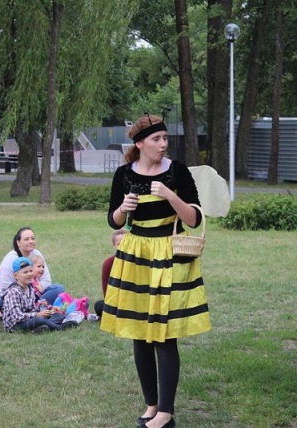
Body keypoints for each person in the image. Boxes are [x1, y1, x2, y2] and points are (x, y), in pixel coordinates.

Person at [100, 114, 211, 428]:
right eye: (156, 139)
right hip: (136, 255)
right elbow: (113, 220)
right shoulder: (124, 174)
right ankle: (151, 405)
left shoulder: (177, 171)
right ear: (140, 144)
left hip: (170, 255)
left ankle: (166, 412)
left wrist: (170, 194)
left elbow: (193, 219)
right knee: (139, 334)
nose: (163, 144)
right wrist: (123, 209)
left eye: (164, 138)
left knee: (164, 335)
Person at [0, 227, 64, 309]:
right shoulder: (11, 258)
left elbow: (46, 280)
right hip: (10, 296)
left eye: (33, 238)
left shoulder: (37, 254)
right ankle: (37, 307)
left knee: (58, 288)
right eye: (26, 239)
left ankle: (36, 306)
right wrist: (26, 293)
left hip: (34, 293)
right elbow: (5, 286)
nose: (31, 241)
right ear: (18, 242)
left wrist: (39, 287)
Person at [1, 257, 75, 333]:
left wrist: (50, 309)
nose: (29, 274)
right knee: (39, 320)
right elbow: (17, 317)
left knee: (57, 314)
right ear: (16, 275)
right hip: (16, 325)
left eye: (30, 271)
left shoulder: (30, 288)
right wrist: (37, 315)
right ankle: (59, 327)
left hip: (30, 319)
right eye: (25, 272)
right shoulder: (14, 292)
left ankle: (41, 328)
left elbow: (34, 307)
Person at [94, 228, 128, 318]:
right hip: (117, 302)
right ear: (114, 245)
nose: (123, 246)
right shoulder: (108, 263)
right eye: (119, 244)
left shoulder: (138, 261)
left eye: (125, 242)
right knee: (99, 306)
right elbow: (106, 291)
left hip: (135, 300)